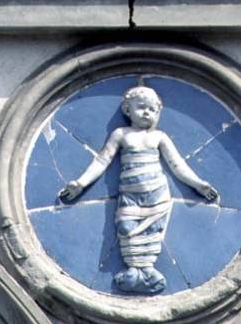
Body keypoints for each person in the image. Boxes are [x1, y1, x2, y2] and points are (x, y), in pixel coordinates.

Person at [59, 85, 218, 294]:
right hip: (130, 196)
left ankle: (147, 270)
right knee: (126, 228)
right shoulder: (121, 134)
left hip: (157, 194)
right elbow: (102, 160)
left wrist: (198, 184)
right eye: (141, 107)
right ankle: (133, 270)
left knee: (153, 231)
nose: (147, 112)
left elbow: (177, 165)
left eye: (152, 109)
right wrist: (80, 184)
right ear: (127, 109)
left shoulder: (159, 137)